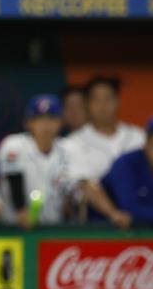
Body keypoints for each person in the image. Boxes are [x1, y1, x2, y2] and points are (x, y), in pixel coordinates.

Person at [62, 76, 145, 227]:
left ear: (118, 101)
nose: (103, 105)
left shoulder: (139, 137)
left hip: (141, 218)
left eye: (108, 98)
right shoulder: (73, 142)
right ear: (87, 104)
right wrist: (114, 214)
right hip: (96, 223)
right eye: (96, 99)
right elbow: (85, 185)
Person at [0, 95, 73, 228]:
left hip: (53, 228)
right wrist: (21, 210)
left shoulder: (68, 149)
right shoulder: (14, 145)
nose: (46, 124)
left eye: (52, 118)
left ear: (61, 123)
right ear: (29, 123)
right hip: (14, 228)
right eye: (40, 119)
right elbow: (13, 178)